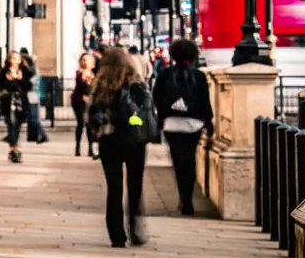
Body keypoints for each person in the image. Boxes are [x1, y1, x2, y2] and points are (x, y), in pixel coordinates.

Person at [87, 48, 154, 247]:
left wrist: (101, 130)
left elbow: (91, 117)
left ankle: (116, 235)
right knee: (135, 186)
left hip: (110, 140)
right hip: (135, 140)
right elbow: (147, 110)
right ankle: (136, 229)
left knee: (114, 188)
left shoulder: (100, 85)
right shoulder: (138, 85)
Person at [152, 39, 214, 216]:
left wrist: (161, 119)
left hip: (171, 123)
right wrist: (209, 126)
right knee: (190, 160)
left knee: (178, 162)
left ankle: (183, 198)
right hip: (193, 124)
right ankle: (188, 198)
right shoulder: (199, 76)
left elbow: (156, 97)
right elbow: (205, 103)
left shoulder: (165, 74)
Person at [0, 51, 37, 163]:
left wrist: (18, 79)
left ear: (20, 60)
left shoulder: (24, 72)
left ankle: (13, 147)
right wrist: (8, 81)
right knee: (11, 124)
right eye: (12, 58)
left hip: (21, 103)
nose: (14, 60)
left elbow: (28, 86)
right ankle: (14, 149)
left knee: (17, 126)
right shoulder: (4, 72)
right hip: (8, 102)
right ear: (9, 60)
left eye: (17, 58)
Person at [71, 53, 97, 158]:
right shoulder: (79, 73)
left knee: (90, 125)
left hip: (90, 101)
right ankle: (77, 147)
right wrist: (86, 81)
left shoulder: (93, 74)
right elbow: (81, 87)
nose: (85, 62)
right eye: (83, 60)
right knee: (81, 123)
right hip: (78, 101)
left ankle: (91, 148)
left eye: (87, 60)